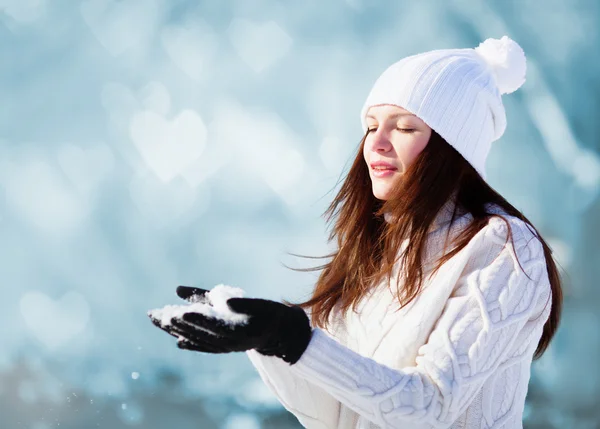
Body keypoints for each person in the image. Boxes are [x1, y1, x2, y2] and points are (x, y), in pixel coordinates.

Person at [149, 35, 563, 429]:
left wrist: (295, 341)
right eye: (370, 125)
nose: (376, 143)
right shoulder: (379, 248)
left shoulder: (504, 248)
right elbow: (336, 414)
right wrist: (268, 339)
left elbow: (431, 407)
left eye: (403, 127)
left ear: (452, 148)